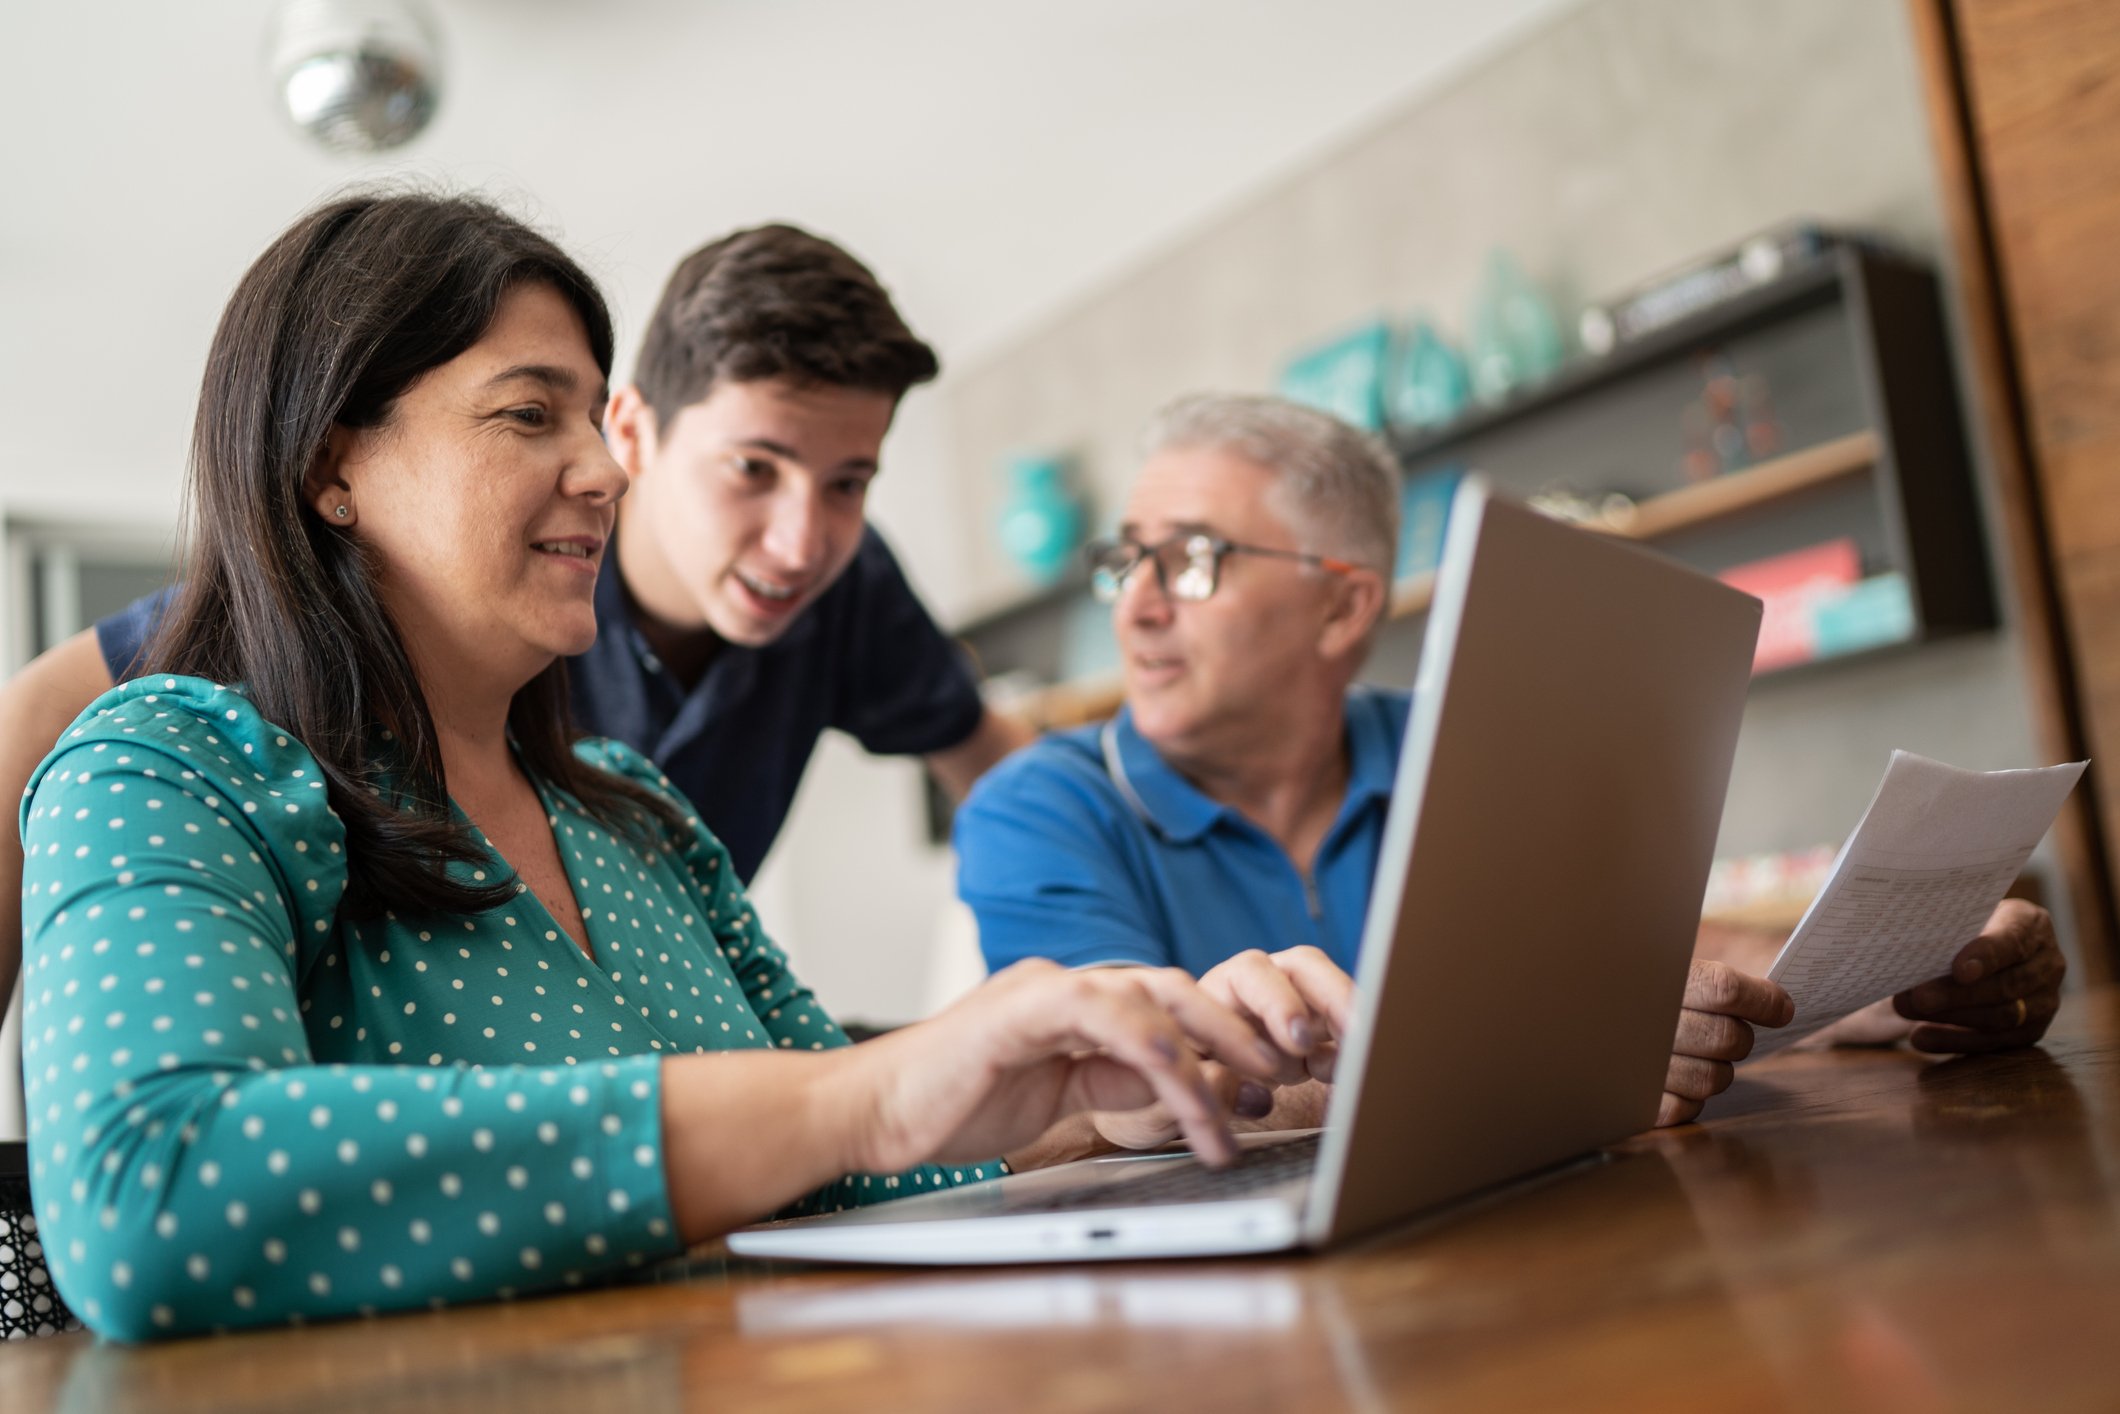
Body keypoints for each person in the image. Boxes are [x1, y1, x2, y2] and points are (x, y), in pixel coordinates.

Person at [17, 194, 1332, 1341]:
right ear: (329, 466)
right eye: (531, 413)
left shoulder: (639, 814)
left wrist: (1116, 1097)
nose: (601, 469)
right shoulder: (173, 765)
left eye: (595, 418)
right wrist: (864, 1100)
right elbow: (152, 1198)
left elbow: (845, 1163)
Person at [0, 219, 1030, 1018]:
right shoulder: (187, 740)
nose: (801, 541)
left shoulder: (841, 600)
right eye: (752, 469)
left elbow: (998, 769)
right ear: (637, 431)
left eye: (849, 483)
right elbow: (43, 706)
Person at [953, 393, 2070, 1125]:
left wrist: (1899, 968)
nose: (1136, 607)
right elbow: (1108, 1099)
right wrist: (1553, 1055)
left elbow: (1644, 951)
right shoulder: (1032, 806)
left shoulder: (1457, 734)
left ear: (1343, 609)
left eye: (1188, 560)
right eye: (1124, 561)